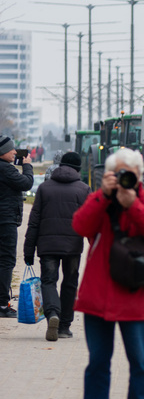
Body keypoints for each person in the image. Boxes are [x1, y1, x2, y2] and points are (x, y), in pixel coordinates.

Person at [71, 148, 144, 399]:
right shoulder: (100, 200)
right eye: (119, 173)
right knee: (98, 362)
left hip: (135, 294)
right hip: (98, 295)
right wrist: (103, 195)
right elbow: (80, 226)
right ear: (109, 175)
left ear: (140, 175)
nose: (126, 178)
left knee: (139, 363)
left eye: (130, 173)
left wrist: (134, 206)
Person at [23, 152, 90, 340]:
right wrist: (95, 248)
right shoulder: (84, 189)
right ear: (78, 169)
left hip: (47, 246)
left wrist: (28, 250)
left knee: (49, 281)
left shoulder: (44, 188)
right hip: (73, 247)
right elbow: (91, 221)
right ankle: (64, 327)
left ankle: (52, 314)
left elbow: (34, 222)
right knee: (69, 283)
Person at [0, 135, 33, 318]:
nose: (14, 152)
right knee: (6, 260)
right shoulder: (5, 169)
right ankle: (3, 304)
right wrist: (27, 166)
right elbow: (27, 183)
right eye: (11, 149)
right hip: (5, 221)